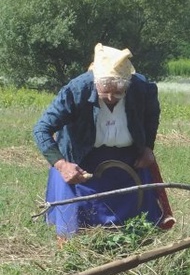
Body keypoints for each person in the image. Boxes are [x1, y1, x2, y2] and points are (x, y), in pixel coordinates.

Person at [33, 43, 175, 240]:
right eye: (105, 90)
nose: (110, 97)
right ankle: (75, 250)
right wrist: (62, 164)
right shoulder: (76, 91)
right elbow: (42, 129)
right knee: (74, 229)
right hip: (80, 162)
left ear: (128, 83)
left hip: (129, 163)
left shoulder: (143, 89)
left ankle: (135, 243)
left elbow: (151, 118)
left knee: (139, 226)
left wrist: (148, 148)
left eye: (118, 91)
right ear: (95, 81)